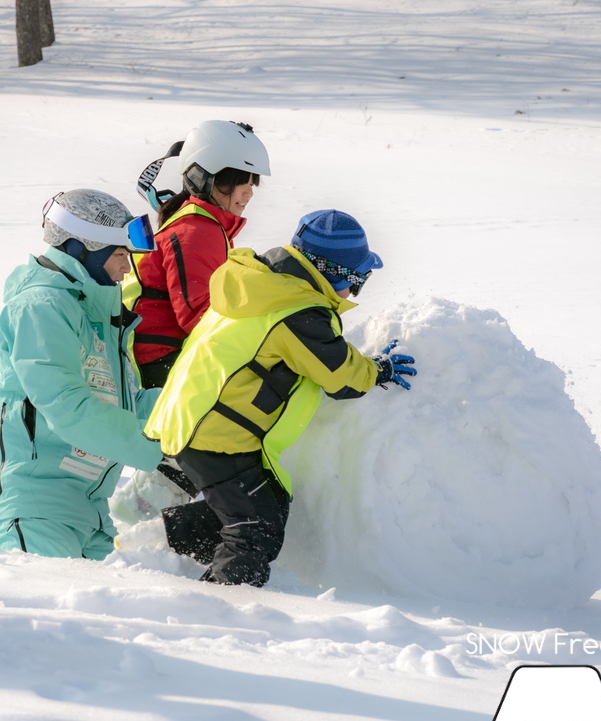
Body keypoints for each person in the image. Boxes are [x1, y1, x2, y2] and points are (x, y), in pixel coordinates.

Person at [143, 209, 418, 587]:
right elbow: (342, 378)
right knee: (254, 531)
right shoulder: (297, 310)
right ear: (334, 272)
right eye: (357, 281)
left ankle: (166, 542)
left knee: (264, 502)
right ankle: (222, 604)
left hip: (196, 419)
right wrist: (380, 370)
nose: (354, 293)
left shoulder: (262, 284)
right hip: (215, 435)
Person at [0, 189, 165, 559]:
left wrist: (200, 408)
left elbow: (125, 402)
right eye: (119, 255)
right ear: (81, 250)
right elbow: (69, 408)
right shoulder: (41, 308)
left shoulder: (96, 315)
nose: (128, 269)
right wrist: (162, 454)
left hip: (89, 512)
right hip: (35, 507)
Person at [126, 120, 271, 390]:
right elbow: (200, 316)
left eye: (253, 182)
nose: (248, 192)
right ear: (204, 179)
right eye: (238, 181)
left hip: (163, 358)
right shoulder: (196, 231)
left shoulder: (200, 223)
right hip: (160, 369)